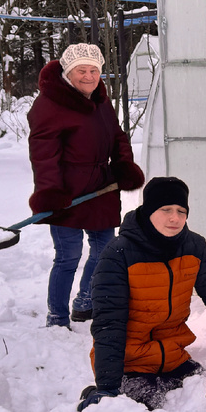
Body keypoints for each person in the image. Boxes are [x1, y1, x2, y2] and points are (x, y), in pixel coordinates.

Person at [77, 176, 206, 412]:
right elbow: (109, 323)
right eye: (166, 209)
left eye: (182, 211)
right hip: (129, 362)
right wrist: (107, 386)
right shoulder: (118, 253)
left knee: (205, 394)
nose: (175, 218)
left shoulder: (195, 247)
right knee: (151, 410)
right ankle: (101, 392)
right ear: (149, 210)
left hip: (173, 357)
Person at [27, 43, 145, 328]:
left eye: (94, 70)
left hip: (101, 188)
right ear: (68, 72)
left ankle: (85, 301)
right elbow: (43, 155)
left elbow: (117, 136)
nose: (89, 76)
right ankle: (57, 316)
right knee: (68, 256)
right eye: (82, 70)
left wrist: (123, 166)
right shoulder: (49, 104)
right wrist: (51, 192)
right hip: (66, 191)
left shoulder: (101, 99)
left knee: (105, 250)